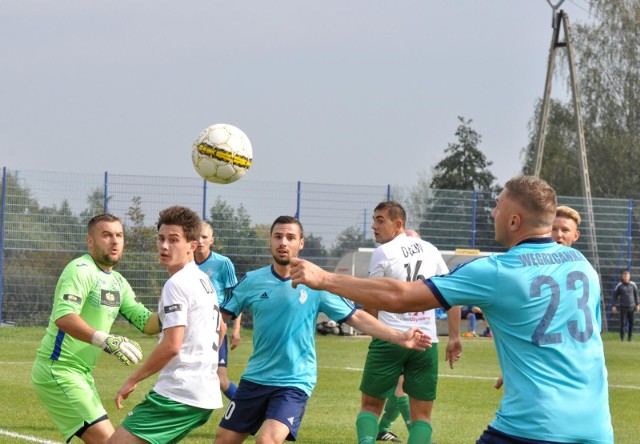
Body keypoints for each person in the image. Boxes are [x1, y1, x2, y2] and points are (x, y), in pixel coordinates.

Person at [290, 176, 614, 444]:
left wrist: (325, 278)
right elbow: (582, 337)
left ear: (515, 221)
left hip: (534, 428)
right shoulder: (582, 265)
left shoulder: (498, 269)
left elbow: (401, 296)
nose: (493, 214)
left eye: (498, 207)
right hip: (597, 428)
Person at [214, 215, 433, 444]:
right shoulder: (252, 280)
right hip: (255, 378)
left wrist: (400, 337)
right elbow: (221, 316)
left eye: (290, 237)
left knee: (267, 440)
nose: (283, 243)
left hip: (294, 380)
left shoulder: (316, 282)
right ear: (270, 241)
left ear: (301, 243)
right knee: (223, 440)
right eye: (278, 237)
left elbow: (356, 316)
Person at [31, 213, 160, 444]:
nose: (115, 241)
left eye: (119, 235)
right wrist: (105, 340)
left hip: (81, 374)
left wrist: (178, 312)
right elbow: (64, 316)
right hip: (58, 370)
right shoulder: (80, 270)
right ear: (90, 241)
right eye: (107, 235)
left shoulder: (118, 281)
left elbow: (146, 322)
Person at [108, 206, 223, 443]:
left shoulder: (177, 284)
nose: (164, 246)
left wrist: (133, 379)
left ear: (192, 245)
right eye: (161, 239)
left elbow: (172, 346)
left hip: (179, 394)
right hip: (202, 393)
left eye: (174, 240)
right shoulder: (203, 280)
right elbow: (221, 328)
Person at [357, 203, 461, 444]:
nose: (374, 226)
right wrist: (454, 337)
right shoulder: (430, 249)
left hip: (390, 338)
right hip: (426, 342)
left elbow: (371, 298)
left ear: (398, 224)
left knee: (370, 407)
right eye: (374, 219)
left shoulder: (383, 252)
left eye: (380, 220)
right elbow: (451, 293)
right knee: (422, 416)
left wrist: (374, 329)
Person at [195, 221, 240, 400]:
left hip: (216, 328)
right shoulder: (185, 263)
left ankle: (246, 410)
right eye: (196, 236)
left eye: (204, 237)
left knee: (221, 380)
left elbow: (237, 297)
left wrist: (236, 329)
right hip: (192, 330)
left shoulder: (222, 263)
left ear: (211, 240)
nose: (200, 240)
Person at [611, 270, 639, 342]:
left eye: (627, 276)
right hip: (623, 306)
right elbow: (615, 296)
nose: (626, 277)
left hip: (632, 307)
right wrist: (614, 305)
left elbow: (636, 295)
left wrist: (638, 304)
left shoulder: (633, 285)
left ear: (629, 277)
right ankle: (622, 339)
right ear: (622, 277)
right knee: (622, 323)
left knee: (632, 323)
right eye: (625, 276)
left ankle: (630, 338)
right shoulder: (619, 285)